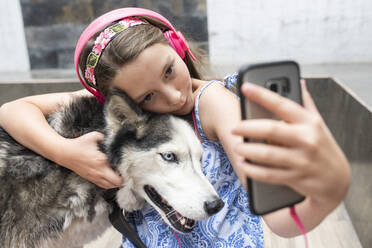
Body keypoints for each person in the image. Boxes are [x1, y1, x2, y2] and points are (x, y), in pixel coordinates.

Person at [0, 7, 350, 247]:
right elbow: (13, 110)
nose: (173, 95)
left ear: (178, 46)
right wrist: (67, 153)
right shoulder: (128, 107)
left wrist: (330, 189)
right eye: (149, 95)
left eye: (169, 70)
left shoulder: (213, 105)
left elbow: (280, 220)